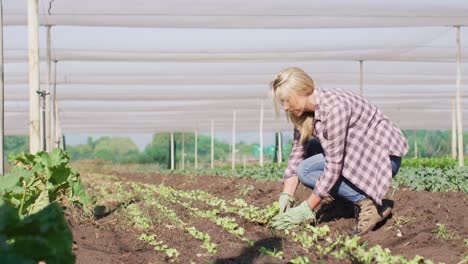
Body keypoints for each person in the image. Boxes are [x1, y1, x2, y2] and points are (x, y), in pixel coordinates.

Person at [270, 67, 409, 235]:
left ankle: (368, 204)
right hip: (361, 153)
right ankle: (349, 200)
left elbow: (334, 165)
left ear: (302, 91)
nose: (285, 107)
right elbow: (297, 152)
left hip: (382, 158)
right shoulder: (305, 114)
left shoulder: (335, 109)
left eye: (286, 100)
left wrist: (307, 208)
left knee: (306, 170)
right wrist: (287, 195)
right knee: (310, 150)